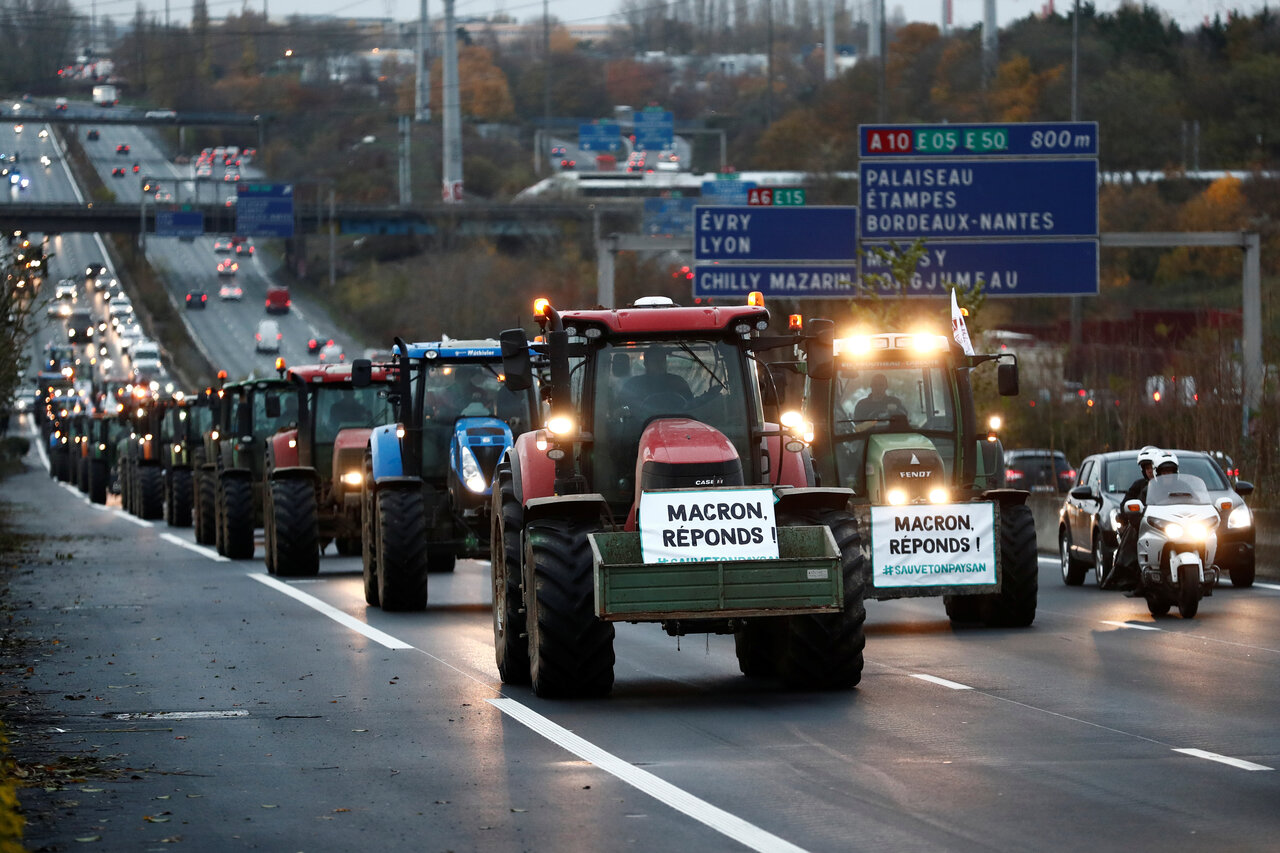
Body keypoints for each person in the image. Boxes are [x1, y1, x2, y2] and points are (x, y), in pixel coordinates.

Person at [1103, 445, 1158, 590]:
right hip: (1145, 524)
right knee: (1132, 535)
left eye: (1153, 467)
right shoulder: (1139, 486)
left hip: (1169, 524)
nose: (1150, 471)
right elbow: (1125, 505)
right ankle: (1125, 573)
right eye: (1147, 468)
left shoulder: (1173, 484)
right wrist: (1131, 512)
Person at [622, 347, 694, 402]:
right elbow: (621, 408)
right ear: (646, 364)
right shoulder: (634, 385)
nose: (659, 364)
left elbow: (691, 405)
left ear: (665, 362)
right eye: (654, 361)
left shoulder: (678, 383)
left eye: (661, 360)